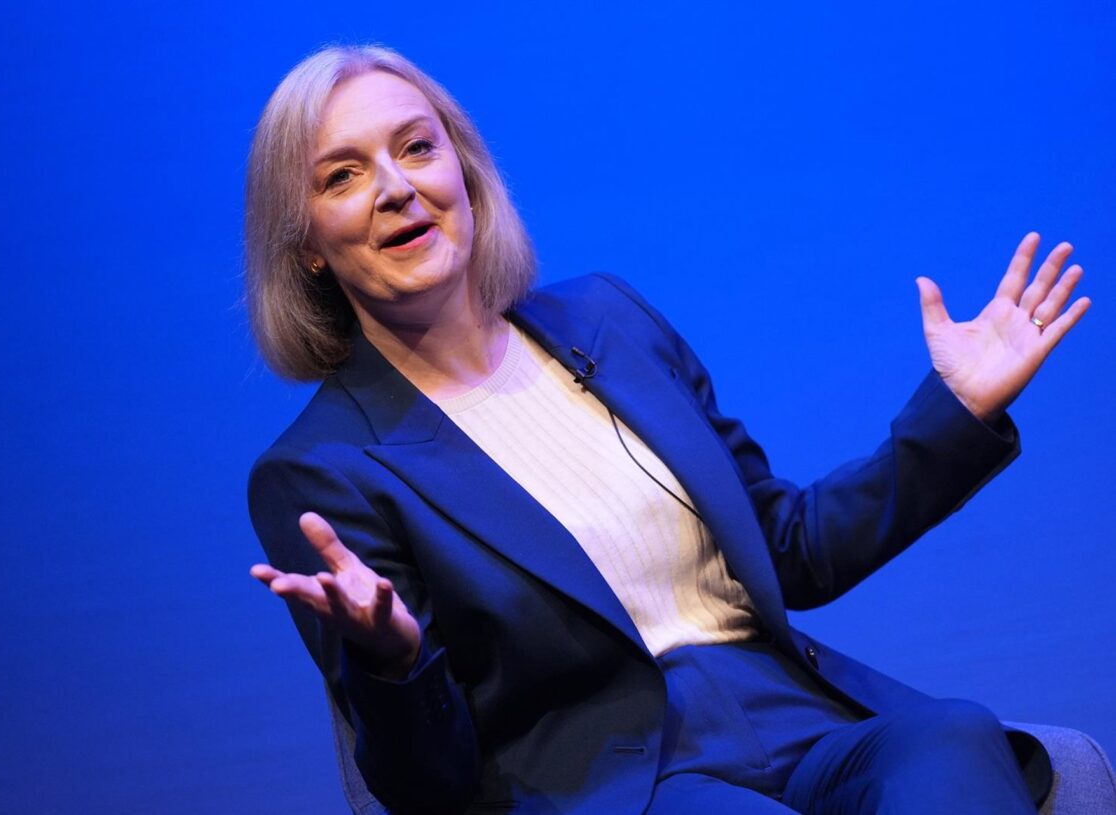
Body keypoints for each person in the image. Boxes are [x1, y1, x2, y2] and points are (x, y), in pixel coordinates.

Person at [244, 45, 1090, 815]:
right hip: (608, 784)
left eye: (418, 147)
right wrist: (395, 660)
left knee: (949, 737)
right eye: (343, 176)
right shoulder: (322, 470)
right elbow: (426, 783)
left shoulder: (606, 318)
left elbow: (789, 545)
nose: (396, 186)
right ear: (310, 245)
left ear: (466, 172)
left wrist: (960, 409)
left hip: (788, 710)